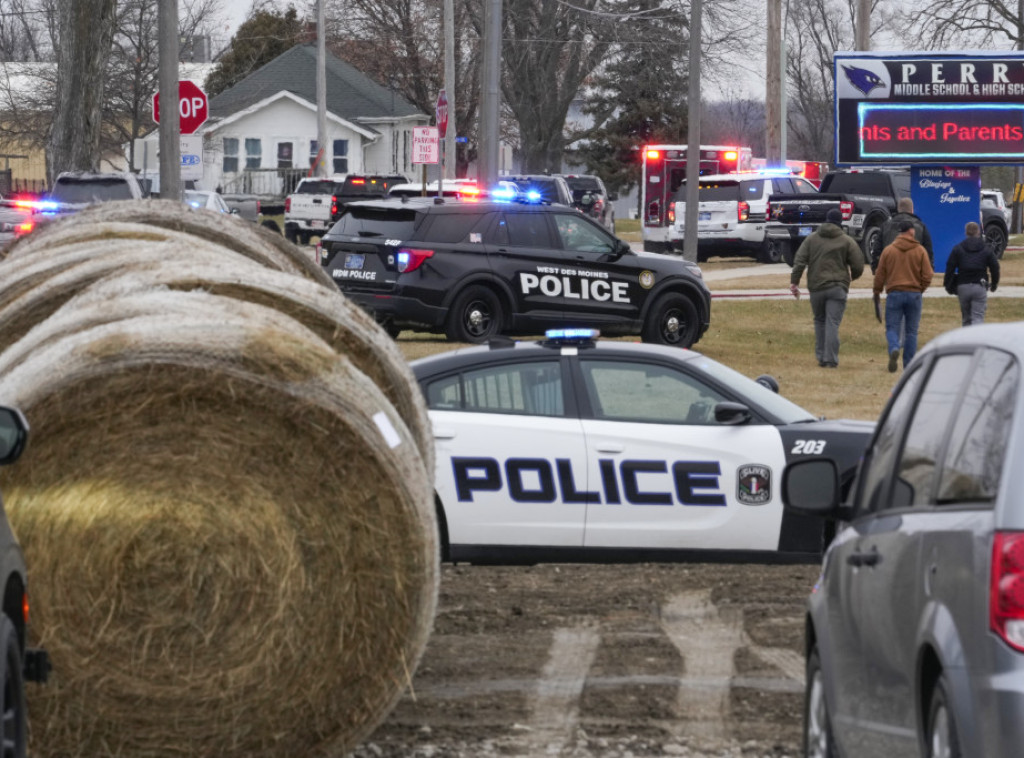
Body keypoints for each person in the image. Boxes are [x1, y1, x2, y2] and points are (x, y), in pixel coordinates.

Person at [789, 207, 865, 368]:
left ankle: (821, 357)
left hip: (816, 287)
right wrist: (853, 277)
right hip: (838, 287)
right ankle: (830, 359)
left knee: (819, 321)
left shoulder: (811, 239)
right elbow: (858, 263)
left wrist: (794, 282)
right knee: (832, 323)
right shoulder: (846, 240)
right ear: (840, 223)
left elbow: (799, 261)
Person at [873, 219, 933, 372]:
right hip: (914, 294)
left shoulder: (888, 251)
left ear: (899, 233)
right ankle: (909, 365)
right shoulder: (920, 250)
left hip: (894, 293)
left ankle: (894, 347)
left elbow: (880, 274)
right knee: (911, 331)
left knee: (892, 328)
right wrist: (920, 289)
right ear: (911, 231)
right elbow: (928, 274)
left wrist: (877, 291)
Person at [943, 221, 1000, 326]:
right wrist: (994, 284)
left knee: (966, 319)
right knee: (978, 318)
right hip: (979, 285)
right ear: (978, 232)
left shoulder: (958, 248)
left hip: (963, 285)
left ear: (966, 233)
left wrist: (948, 285)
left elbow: (950, 267)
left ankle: (966, 340)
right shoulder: (986, 249)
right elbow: (995, 267)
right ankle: (976, 340)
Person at [878, 197, 933, 272]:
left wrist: (877, 270)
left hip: (890, 274)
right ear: (912, 210)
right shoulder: (921, 227)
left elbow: (877, 251)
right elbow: (928, 252)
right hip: (914, 275)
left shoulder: (885, 226)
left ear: (898, 209)